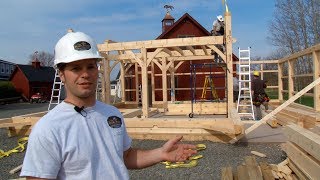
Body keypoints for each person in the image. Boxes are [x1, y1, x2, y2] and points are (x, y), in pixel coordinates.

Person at [20, 30, 197, 179]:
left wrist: (160, 153)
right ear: (61, 74)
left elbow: (125, 156)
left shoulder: (112, 114)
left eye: (90, 66)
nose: (85, 74)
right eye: (75, 68)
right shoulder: (48, 128)